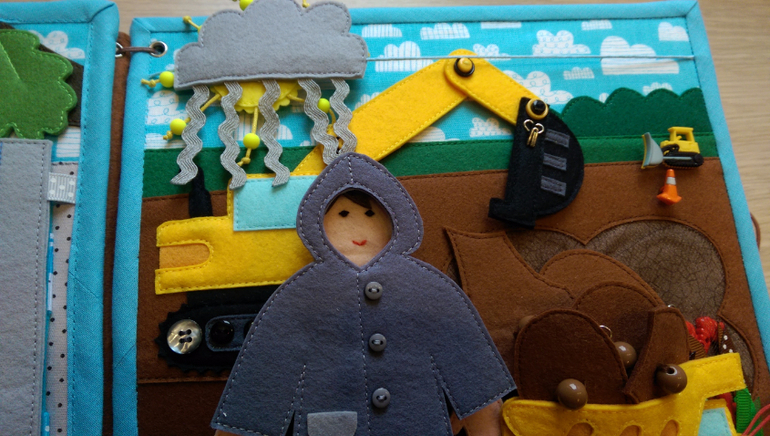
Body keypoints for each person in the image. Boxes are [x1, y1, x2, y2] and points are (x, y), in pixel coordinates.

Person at [212, 153, 514, 436]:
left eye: (370, 213)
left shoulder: (429, 288)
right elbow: (268, 366)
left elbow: (469, 361)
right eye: (343, 214)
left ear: (395, 217)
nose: (358, 228)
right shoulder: (300, 294)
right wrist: (240, 425)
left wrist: (483, 419)